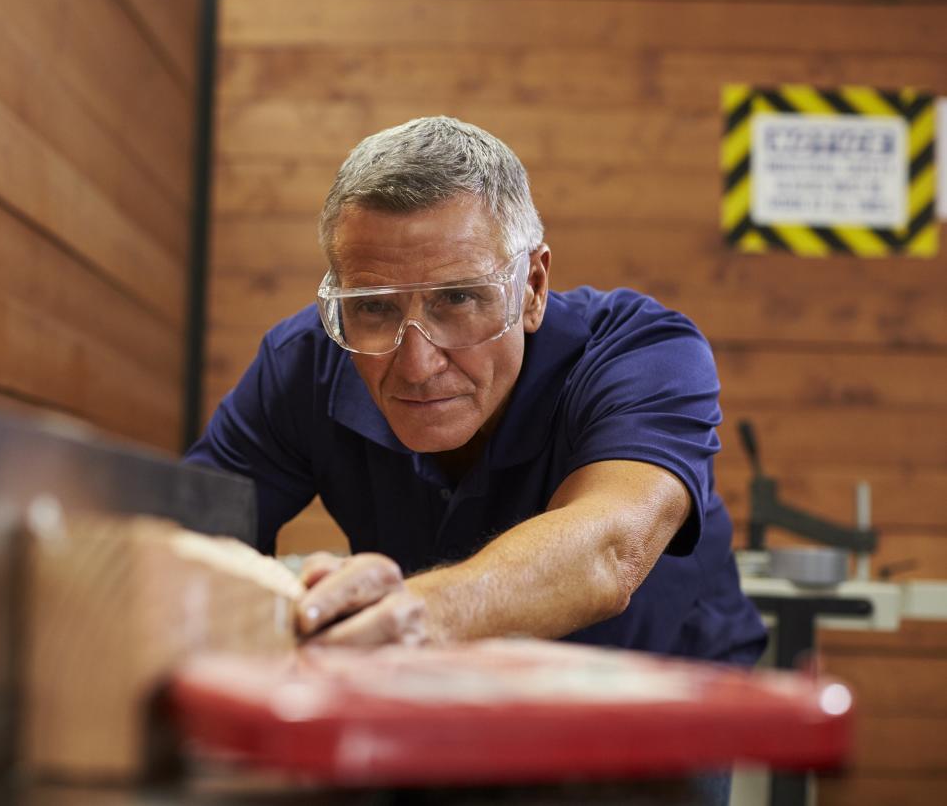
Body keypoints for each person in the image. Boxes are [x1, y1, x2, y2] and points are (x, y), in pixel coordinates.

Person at [186, 116, 766, 665]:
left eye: (459, 299)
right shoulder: (304, 363)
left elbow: (608, 550)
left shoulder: (644, 354)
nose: (415, 365)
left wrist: (421, 613)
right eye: (373, 307)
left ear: (532, 288)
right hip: (444, 690)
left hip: (657, 701)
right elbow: (193, 534)